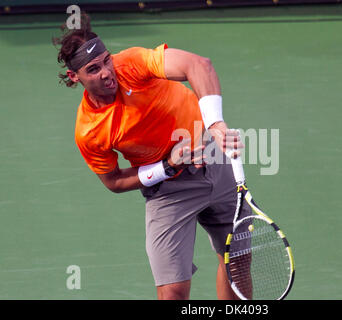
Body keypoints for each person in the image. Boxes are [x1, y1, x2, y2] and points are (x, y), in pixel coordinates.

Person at [53, 14, 246, 300]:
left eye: (106, 60)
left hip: (214, 161)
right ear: (74, 76)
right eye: (93, 69)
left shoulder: (130, 63)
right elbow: (114, 181)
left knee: (238, 265)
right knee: (172, 292)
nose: (107, 72)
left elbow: (198, 65)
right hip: (168, 191)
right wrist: (167, 166)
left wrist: (215, 123)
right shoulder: (89, 131)